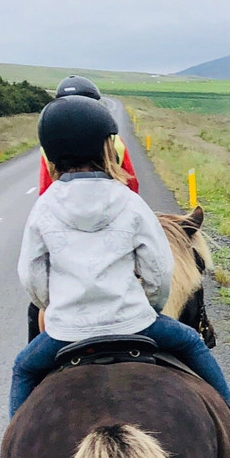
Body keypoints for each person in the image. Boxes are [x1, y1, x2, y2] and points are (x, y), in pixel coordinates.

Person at [8, 95, 230, 452]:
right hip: (134, 322)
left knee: (23, 369)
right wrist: (148, 305)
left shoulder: (43, 208)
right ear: (106, 148)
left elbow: (32, 277)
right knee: (193, 343)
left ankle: (14, 448)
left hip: (67, 331)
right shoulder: (130, 202)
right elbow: (159, 270)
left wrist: (54, 306)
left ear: (51, 156)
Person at [28, 75, 140, 341]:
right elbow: (132, 186)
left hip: (66, 241)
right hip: (115, 229)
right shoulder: (116, 144)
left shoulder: (49, 151)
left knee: (28, 352)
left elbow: (45, 190)